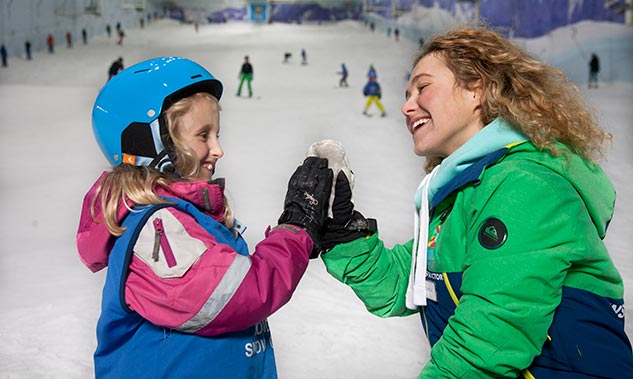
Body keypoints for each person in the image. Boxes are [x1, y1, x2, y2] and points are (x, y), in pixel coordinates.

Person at [313, 26, 633, 378]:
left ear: (475, 88)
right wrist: (341, 230)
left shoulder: (524, 186)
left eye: (422, 87)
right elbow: (399, 284)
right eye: (407, 93)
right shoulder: (463, 197)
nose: (406, 106)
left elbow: (490, 333)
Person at [77, 56, 333, 378]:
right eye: (203, 136)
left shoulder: (193, 218)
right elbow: (239, 293)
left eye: (217, 135)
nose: (217, 150)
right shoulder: (154, 231)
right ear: (149, 143)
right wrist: (296, 228)